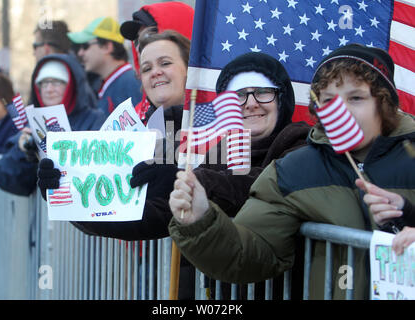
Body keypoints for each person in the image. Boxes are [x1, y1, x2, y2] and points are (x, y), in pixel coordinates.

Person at [37, 48, 311, 299]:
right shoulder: (218, 154)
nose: (250, 103)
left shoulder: (298, 146)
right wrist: (72, 195)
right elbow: (152, 217)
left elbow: (255, 188)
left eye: (263, 92)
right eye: (238, 95)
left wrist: (183, 178)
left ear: (281, 99)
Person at [168, 44, 415, 300]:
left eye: (355, 98)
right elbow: (250, 251)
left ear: (383, 102)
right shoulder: (292, 170)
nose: (341, 111)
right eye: (329, 101)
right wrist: (200, 221)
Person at [0, 54, 106, 196]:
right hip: (44, 216)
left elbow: (98, 171)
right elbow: (5, 179)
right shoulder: (33, 124)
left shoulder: (94, 119)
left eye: (57, 82)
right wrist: (22, 150)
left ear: (72, 84)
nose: (49, 89)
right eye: (43, 83)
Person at [119, 1, 194, 121]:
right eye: (147, 69)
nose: (139, 47)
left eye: (165, 63)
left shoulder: (222, 117)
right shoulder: (132, 121)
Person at [67, 17, 142, 116]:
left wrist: (170, 129)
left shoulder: (130, 82)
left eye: (85, 46)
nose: (80, 53)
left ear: (107, 47)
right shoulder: (111, 81)